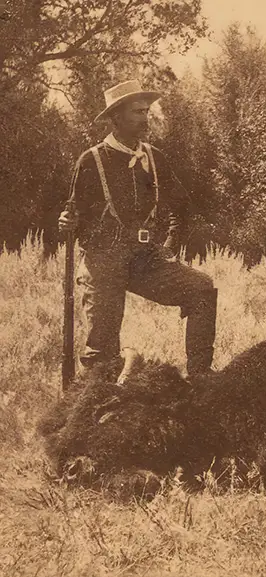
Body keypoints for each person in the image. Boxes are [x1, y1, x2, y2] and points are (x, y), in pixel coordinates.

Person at [58, 79, 217, 377]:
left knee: (201, 288)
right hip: (104, 262)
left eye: (147, 111)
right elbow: (74, 216)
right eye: (137, 112)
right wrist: (69, 224)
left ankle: (200, 381)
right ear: (116, 117)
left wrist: (169, 246)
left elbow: (181, 208)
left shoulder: (155, 157)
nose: (145, 118)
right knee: (102, 354)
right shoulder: (91, 161)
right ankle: (94, 409)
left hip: (146, 259)